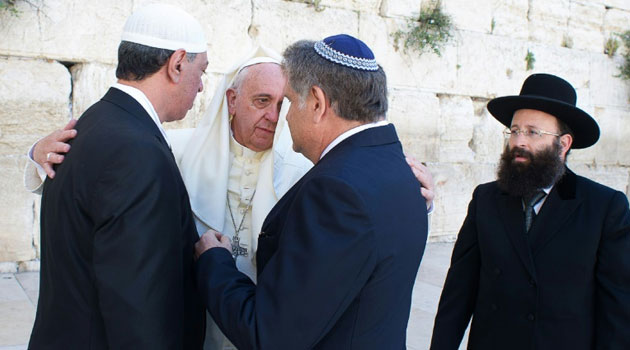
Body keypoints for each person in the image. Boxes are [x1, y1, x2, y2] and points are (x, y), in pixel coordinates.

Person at [25, 46, 436, 349]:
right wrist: (37, 155)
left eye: (284, 103)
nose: (276, 117)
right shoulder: (169, 151)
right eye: (263, 102)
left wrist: (421, 193)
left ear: (318, 104)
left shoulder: (313, 173)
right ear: (231, 100)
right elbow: (98, 182)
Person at [194, 34, 428, 350]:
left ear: (317, 103)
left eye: (289, 101)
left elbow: (270, 335)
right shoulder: (399, 166)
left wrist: (214, 262)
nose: (283, 117)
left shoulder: (335, 191)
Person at [28, 4, 208, 349]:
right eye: (201, 71)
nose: (201, 87)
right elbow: (139, 305)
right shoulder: (138, 152)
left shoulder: (92, 123)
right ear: (178, 63)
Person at [430, 73, 630, 350]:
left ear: (564, 144)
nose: (519, 142)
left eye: (533, 132)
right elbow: (458, 293)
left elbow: (617, 311)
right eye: (514, 130)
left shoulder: (604, 208)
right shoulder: (486, 199)